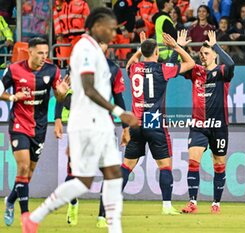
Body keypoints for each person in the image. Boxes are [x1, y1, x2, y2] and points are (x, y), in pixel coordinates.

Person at [21, 7, 138, 233]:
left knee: (113, 175)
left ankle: (114, 228)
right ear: (96, 27)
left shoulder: (97, 53)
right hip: (87, 123)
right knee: (83, 181)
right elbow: (87, 88)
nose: (114, 34)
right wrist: (119, 112)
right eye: (111, 29)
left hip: (100, 123)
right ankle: (35, 217)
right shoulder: (83, 49)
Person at [54, 41, 129, 228]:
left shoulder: (113, 69)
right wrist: (57, 119)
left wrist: (126, 127)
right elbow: (63, 92)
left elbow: (119, 98)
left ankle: (102, 216)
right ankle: (73, 202)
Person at [121, 31, 195, 215]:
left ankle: (110, 202)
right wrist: (177, 46)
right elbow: (190, 64)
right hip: (154, 122)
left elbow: (129, 64)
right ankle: (167, 207)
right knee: (164, 165)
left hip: (135, 123)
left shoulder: (134, 68)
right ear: (156, 53)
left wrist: (139, 50)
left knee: (126, 166)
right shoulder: (162, 69)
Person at [0, 37, 69, 227]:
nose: (43, 57)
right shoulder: (14, 69)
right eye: (40, 53)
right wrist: (13, 96)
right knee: (22, 168)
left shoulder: (52, 70)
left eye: (46, 53)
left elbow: (59, 96)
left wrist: (62, 94)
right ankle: (26, 216)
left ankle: (10, 200)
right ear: (30, 52)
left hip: (39, 128)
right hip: (19, 125)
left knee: (27, 176)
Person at [170, 30, 234, 214]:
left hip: (219, 127)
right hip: (198, 126)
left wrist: (215, 45)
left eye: (206, 53)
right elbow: (171, 67)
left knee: (219, 163)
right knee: (193, 161)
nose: (203, 56)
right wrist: (179, 47)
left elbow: (231, 64)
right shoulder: (195, 71)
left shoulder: (222, 72)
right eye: (201, 54)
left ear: (214, 55)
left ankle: (216, 204)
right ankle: (192, 202)